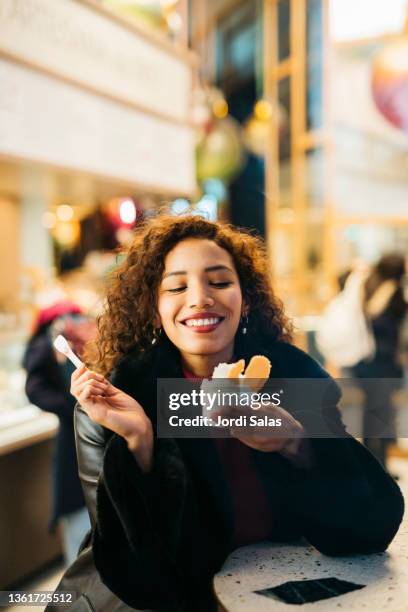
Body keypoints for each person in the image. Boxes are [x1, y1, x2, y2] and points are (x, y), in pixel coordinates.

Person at [49, 216, 404, 612]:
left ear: (246, 298)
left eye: (219, 282)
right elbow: (142, 577)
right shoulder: (121, 399)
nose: (200, 298)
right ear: (154, 308)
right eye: (177, 287)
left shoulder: (290, 377)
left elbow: (373, 526)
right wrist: (141, 444)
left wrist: (295, 443)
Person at [23, 302, 94, 565]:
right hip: (72, 446)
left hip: (94, 437)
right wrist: (73, 407)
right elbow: (35, 389)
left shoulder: (84, 335)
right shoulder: (49, 343)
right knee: (79, 531)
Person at [352, 253, 407, 469]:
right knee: (381, 414)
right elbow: (376, 316)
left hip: (370, 363)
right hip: (380, 363)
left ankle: (374, 465)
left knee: (372, 413)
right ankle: (379, 466)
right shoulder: (387, 290)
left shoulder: (369, 285)